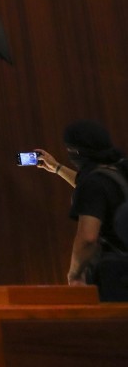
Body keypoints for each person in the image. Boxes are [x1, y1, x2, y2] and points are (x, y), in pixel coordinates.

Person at [39, 120, 128, 299]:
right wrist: (56, 168)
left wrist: (75, 274)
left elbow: (88, 238)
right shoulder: (121, 169)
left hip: (117, 276)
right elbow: (96, 188)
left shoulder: (94, 184)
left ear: (76, 152)